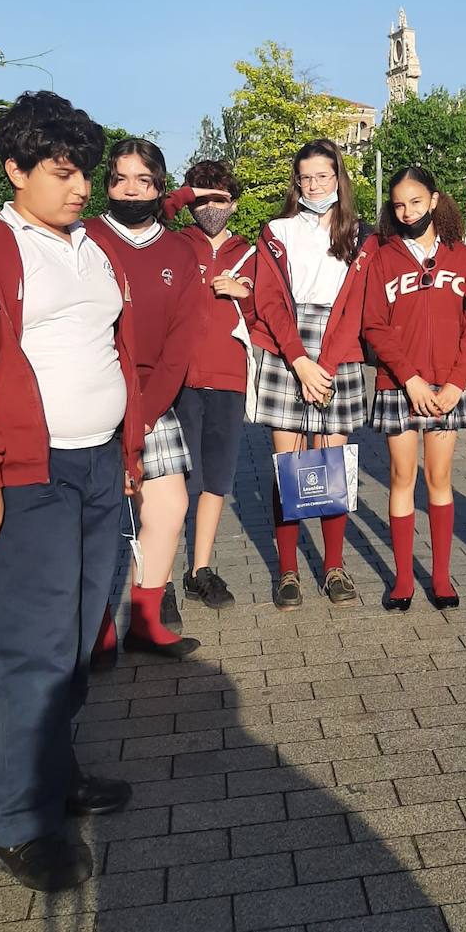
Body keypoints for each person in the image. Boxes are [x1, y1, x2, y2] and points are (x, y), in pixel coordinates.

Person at [0, 91, 143, 891]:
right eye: (60, 171)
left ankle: (58, 774)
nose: (80, 185)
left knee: (79, 635)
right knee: (31, 647)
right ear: (15, 169)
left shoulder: (92, 247)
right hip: (26, 475)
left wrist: (128, 448)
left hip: (94, 466)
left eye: (84, 169)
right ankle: (17, 821)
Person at [85, 138, 202, 660]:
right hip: (93, 395)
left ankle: (146, 622)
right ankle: (94, 627)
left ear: (159, 186)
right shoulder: (84, 238)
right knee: (99, 514)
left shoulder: (179, 250)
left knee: (169, 505)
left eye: (143, 180)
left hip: (154, 401)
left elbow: (182, 340)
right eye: (120, 179)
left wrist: (149, 412)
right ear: (107, 184)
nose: (130, 189)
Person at [250, 139, 377, 610]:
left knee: (331, 466)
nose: (314, 185)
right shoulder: (276, 231)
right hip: (289, 351)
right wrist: (300, 361)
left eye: (323, 176)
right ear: (296, 181)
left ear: (338, 178)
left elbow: (358, 307)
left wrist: (325, 364)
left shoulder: (361, 236)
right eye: (305, 177)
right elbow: (269, 301)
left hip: (338, 350)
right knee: (289, 469)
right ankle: (287, 571)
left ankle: (334, 566)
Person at [362, 167, 466, 610]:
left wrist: (456, 383)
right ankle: (403, 579)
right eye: (398, 204)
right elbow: (374, 325)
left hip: (447, 386)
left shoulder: (461, 256)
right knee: (400, 477)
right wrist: (409, 379)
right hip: (399, 385)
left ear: (433, 200)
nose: (407, 210)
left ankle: (443, 577)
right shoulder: (383, 257)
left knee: (439, 478)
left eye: (415, 201)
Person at [161, 161, 256, 609]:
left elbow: (271, 314)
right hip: (177, 381)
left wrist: (245, 294)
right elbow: (148, 217)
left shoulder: (251, 254)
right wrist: (183, 195)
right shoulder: (174, 245)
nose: (212, 208)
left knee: (215, 479)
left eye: (220, 199)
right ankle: (157, 578)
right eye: (203, 199)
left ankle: (199, 568)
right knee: (173, 482)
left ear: (234, 203)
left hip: (228, 379)